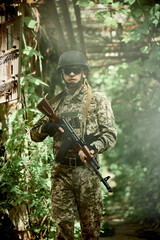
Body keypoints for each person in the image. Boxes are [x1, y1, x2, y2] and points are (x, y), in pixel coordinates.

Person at [30, 50, 117, 240]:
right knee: (63, 229)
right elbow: (33, 134)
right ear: (62, 73)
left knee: (91, 230)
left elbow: (110, 134)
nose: (71, 74)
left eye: (75, 70)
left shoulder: (97, 100)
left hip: (87, 174)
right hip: (61, 174)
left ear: (84, 72)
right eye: (67, 70)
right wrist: (47, 127)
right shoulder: (56, 103)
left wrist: (92, 148)